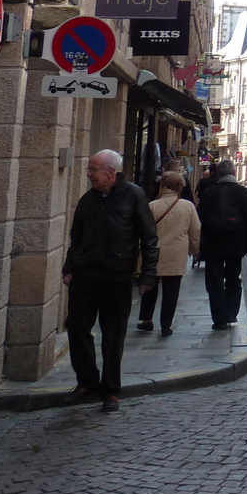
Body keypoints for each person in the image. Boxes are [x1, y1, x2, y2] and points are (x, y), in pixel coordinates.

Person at [62, 149, 157, 413]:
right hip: (85, 276)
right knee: (77, 329)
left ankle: (111, 389)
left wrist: (148, 275)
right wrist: (69, 268)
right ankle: (87, 381)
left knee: (113, 335)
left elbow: (149, 239)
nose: (88, 174)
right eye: (89, 169)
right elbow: (76, 238)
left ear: (109, 172)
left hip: (117, 278)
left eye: (93, 169)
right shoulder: (87, 200)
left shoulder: (134, 196)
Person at [138, 171, 199, 336]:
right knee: (172, 290)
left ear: (163, 186)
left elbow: (142, 231)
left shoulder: (151, 206)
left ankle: (146, 319)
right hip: (176, 253)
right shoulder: (188, 206)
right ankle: (166, 325)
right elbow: (195, 231)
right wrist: (194, 250)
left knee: (151, 286)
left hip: (154, 252)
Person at [196, 160, 247, 331]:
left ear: (218, 174)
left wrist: (198, 246)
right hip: (236, 244)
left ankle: (219, 319)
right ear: (234, 173)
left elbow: (200, 220)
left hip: (213, 244)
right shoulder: (244, 193)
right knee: (233, 278)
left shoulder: (209, 193)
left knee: (214, 282)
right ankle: (231, 313)